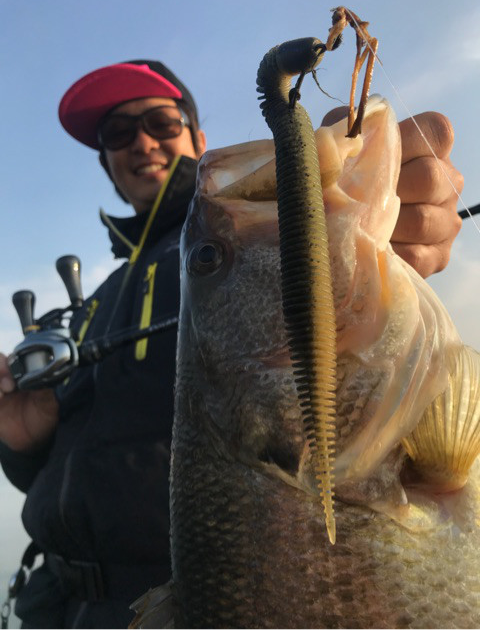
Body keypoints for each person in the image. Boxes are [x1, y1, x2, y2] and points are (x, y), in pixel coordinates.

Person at [0, 58, 463, 628]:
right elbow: (74, 471)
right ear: (106, 163)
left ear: (198, 138)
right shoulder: (95, 300)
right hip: (55, 606)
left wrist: (398, 239)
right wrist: (23, 445)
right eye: (117, 133)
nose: (141, 141)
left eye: (161, 123)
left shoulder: (234, 229)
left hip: (228, 592)